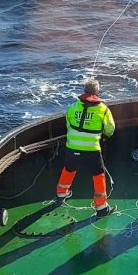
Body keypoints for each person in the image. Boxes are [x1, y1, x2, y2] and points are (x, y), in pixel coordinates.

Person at [55, 80, 117, 217]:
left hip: (72, 147)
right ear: (97, 92)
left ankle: (60, 195)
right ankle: (101, 208)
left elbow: (68, 123)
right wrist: (103, 136)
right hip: (92, 150)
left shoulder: (73, 107)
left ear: (84, 91)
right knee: (98, 175)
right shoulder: (103, 109)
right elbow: (110, 129)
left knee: (69, 169)